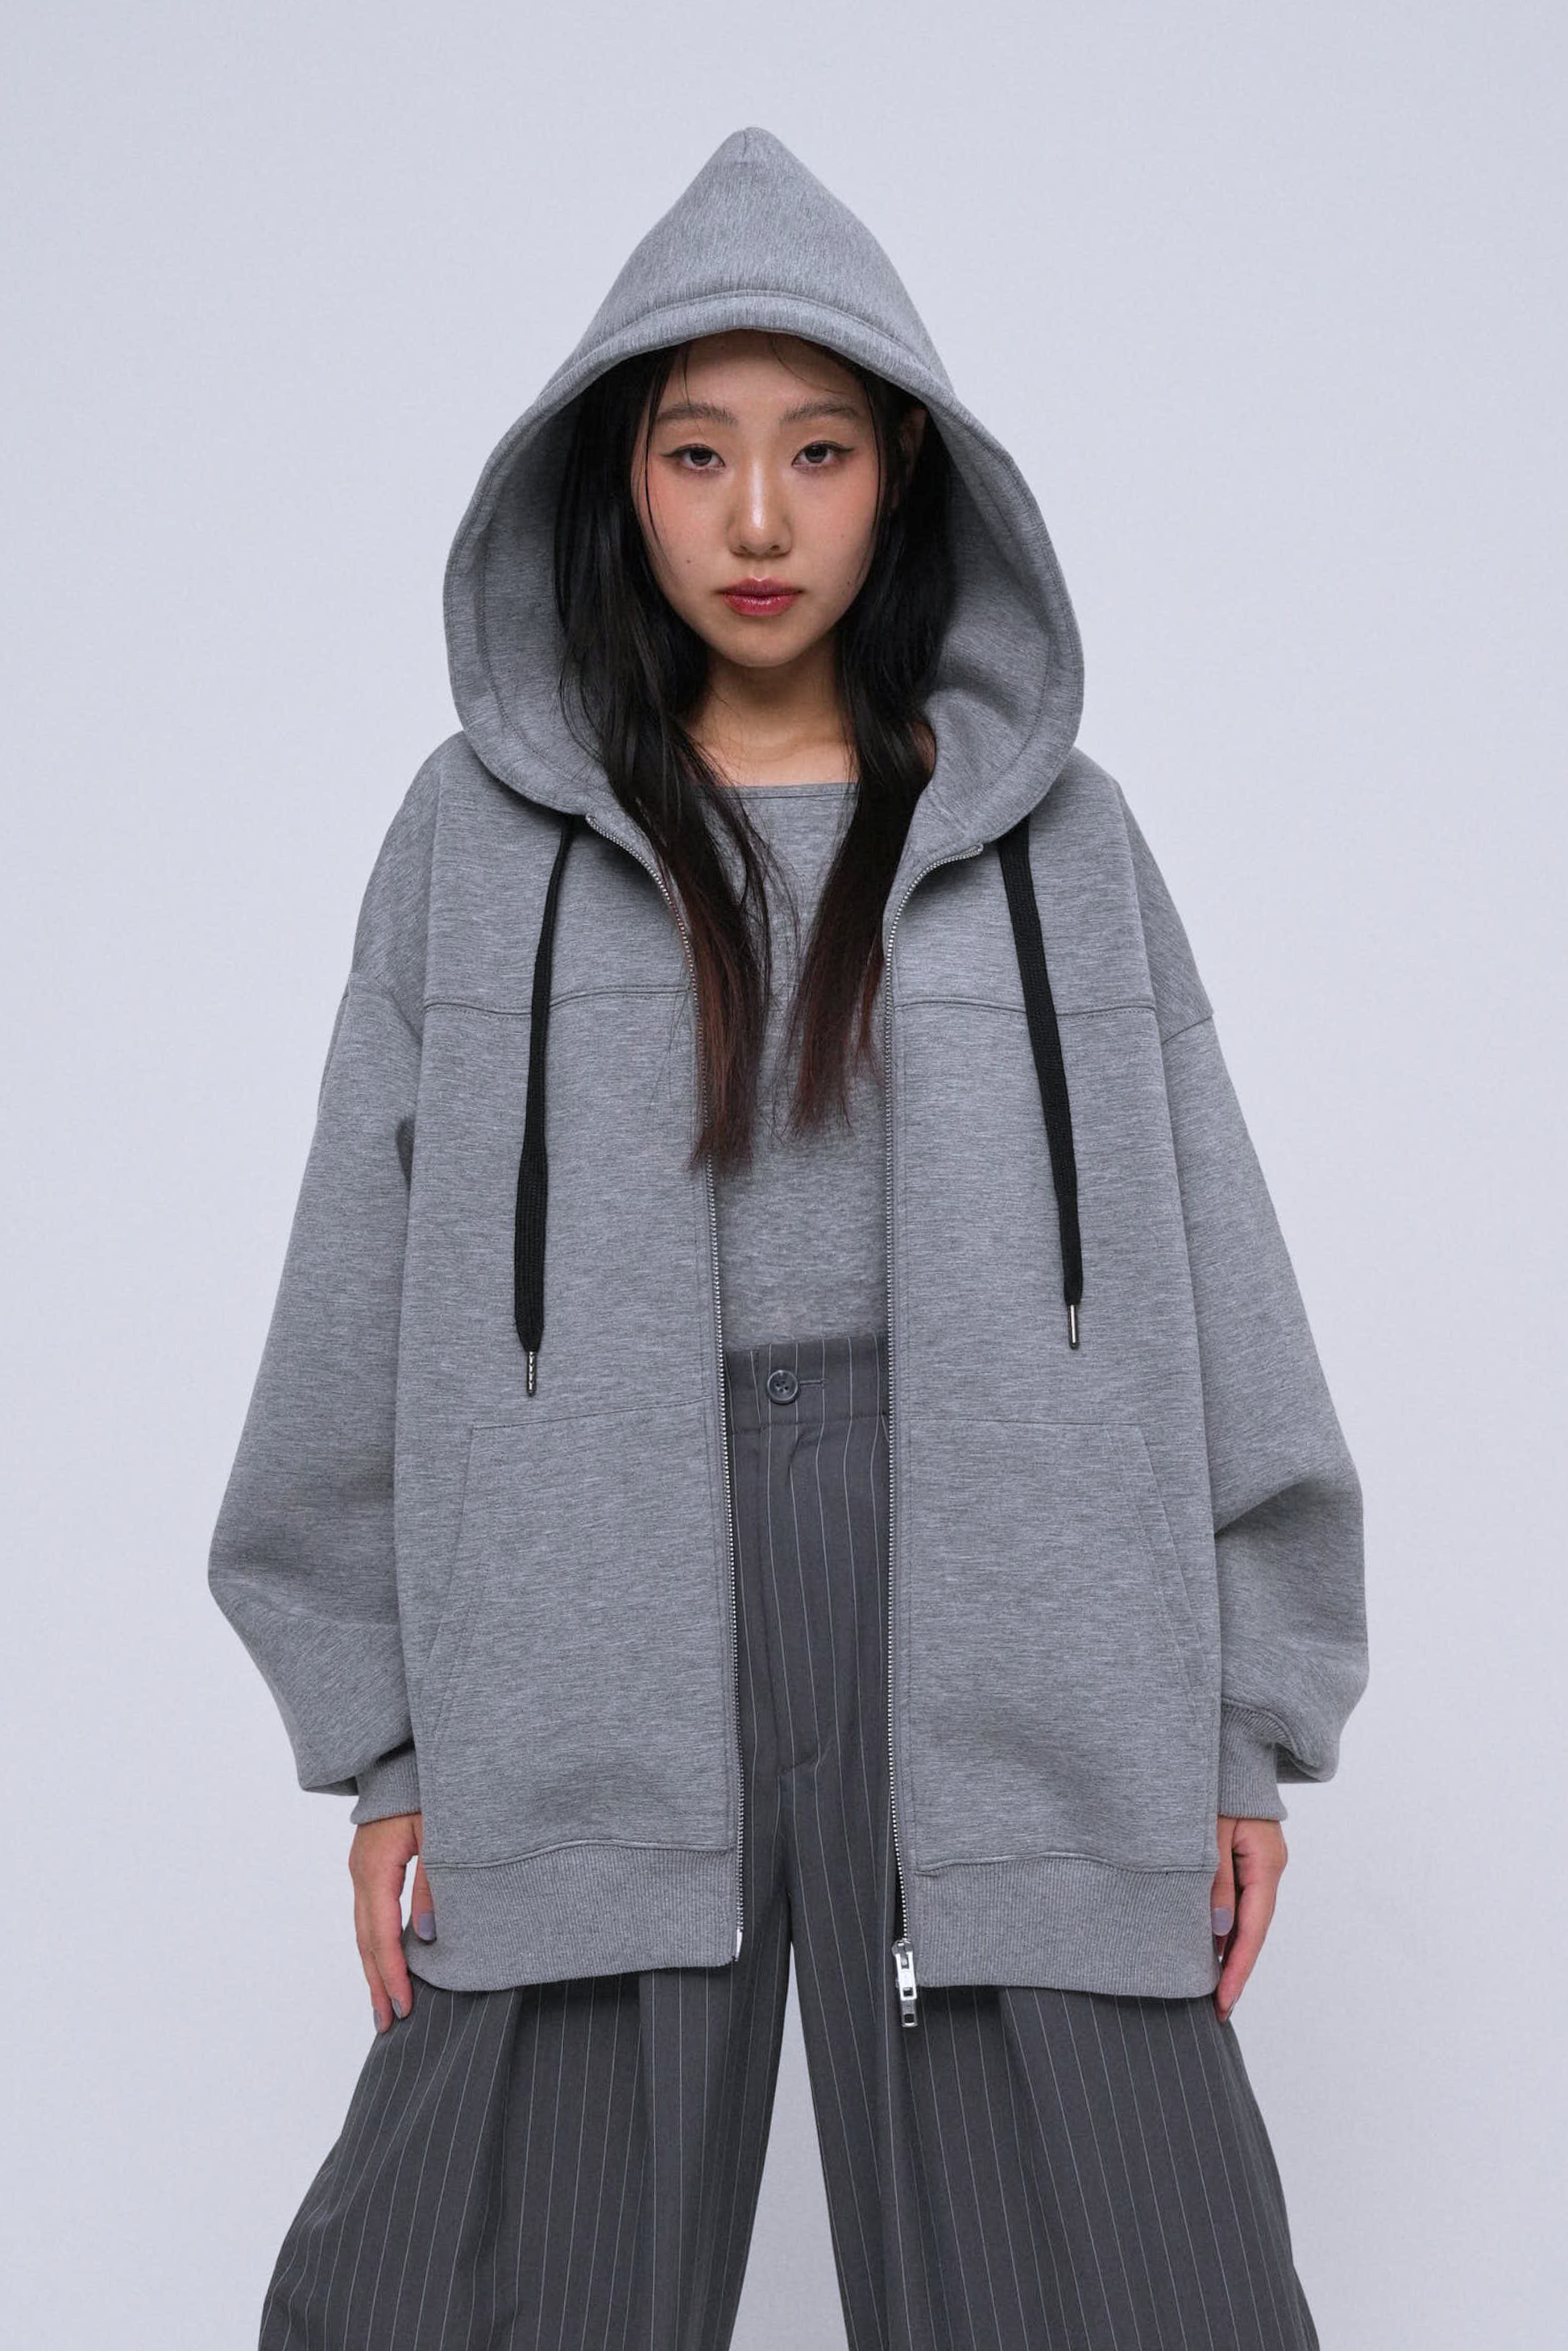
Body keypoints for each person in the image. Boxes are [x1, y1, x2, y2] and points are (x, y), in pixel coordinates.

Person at [209, 125, 1367, 2351]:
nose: (759, 518)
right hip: (588, 1603)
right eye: (698, 451)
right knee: (482, 2274)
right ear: (618, 483)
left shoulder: (1063, 850)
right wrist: (387, 1748)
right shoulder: (476, 847)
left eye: (817, 451)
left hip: (1008, 1599)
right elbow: (356, 1283)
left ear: (900, 473)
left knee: (1125, 2278)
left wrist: (1243, 1728)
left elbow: (1219, 1274)